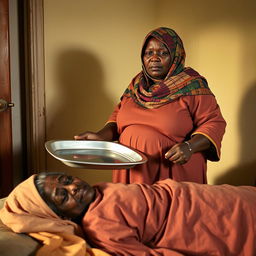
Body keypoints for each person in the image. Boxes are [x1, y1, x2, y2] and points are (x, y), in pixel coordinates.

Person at [74, 27, 226, 185]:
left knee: (168, 209)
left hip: (172, 172)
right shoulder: (136, 85)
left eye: (163, 53)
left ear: (176, 56)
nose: (154, 58)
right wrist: (100, 136)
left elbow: (214, 123)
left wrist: (189, 147)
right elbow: (117, 117)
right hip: (131, 172)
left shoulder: (192, 85)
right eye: (149, 53)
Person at [1, 172, 255, 256]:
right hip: (207, 222)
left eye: (67, 180)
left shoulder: (100, 191)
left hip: (213, 198)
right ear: (61, 217)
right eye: (63, 196)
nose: (73, 187)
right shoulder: (100, 225)